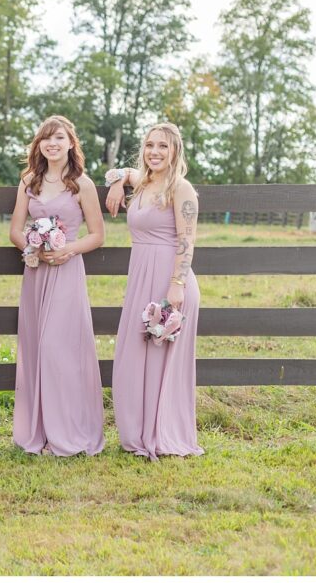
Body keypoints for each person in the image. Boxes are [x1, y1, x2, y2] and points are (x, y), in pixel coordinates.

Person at [106, 122, 204, 460]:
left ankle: (163, 434)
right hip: (140, 279)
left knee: (162, 361)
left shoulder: (181, 188)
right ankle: (138, 432)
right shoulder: (144, 181)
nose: (155, 152)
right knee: (134, 355)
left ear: (175, 151)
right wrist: (119, 180)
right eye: (150, 145)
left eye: (163, 146)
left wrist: (176, 285)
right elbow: (115, 170)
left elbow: (187, 241)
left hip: (169, 281)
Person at [8, 115, 105, 456]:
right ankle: (41, 432)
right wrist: (32, 248)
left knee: (58, 350)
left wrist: (67, 249)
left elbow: (97, 235)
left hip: (66, 271)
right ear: (39, 145)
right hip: (37, 272)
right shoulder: (29, 181)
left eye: (59, 138)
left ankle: (68, 432)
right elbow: (16, 230)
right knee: (36, 349)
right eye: (46, 138)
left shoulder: (82, 184)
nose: (52, 143)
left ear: (70, 144)